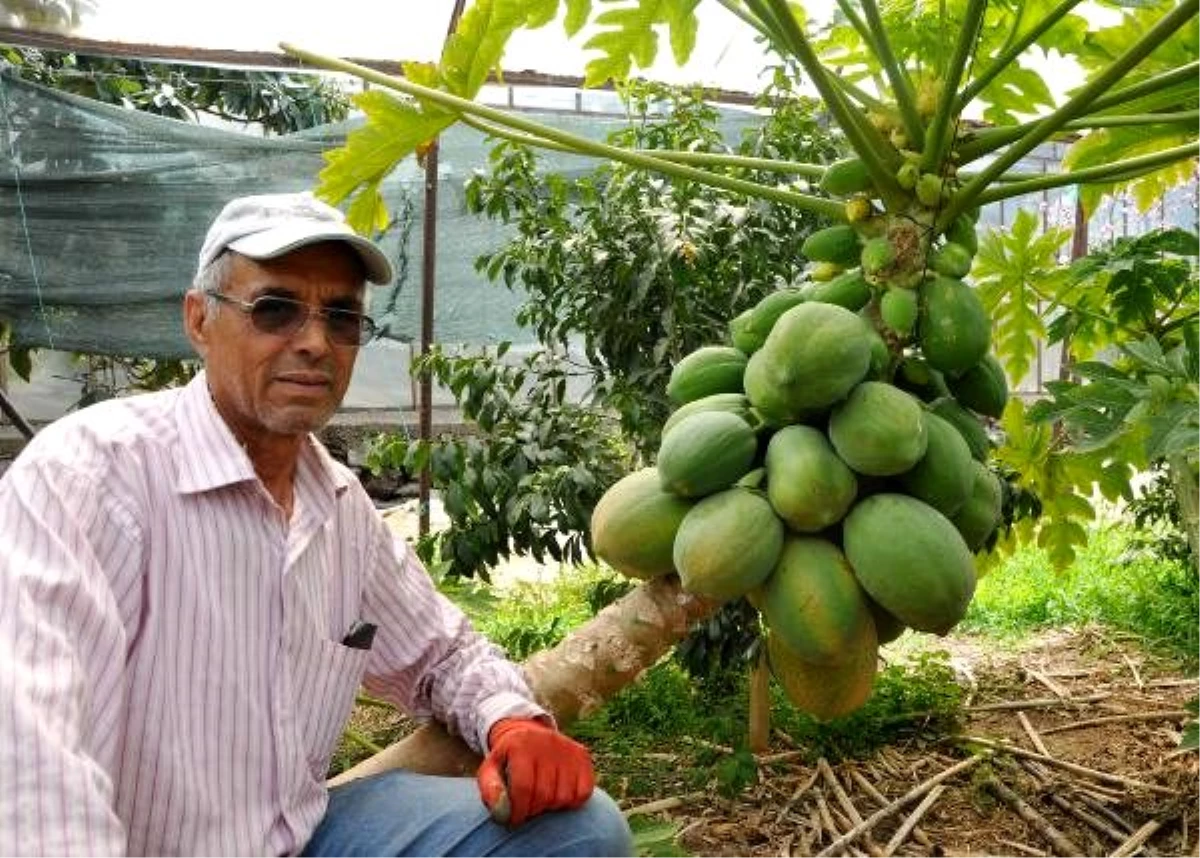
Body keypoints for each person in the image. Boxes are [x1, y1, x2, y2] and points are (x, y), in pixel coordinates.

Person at [0, 191, 635, 857]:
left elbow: (441, 652)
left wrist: (512, 722)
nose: (313, 342)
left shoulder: (336, 504)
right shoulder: (92, 476)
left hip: (300, 838)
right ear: (199, 321)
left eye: (341, 318)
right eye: (275, 309)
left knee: (581, 831)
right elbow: (29, 742)